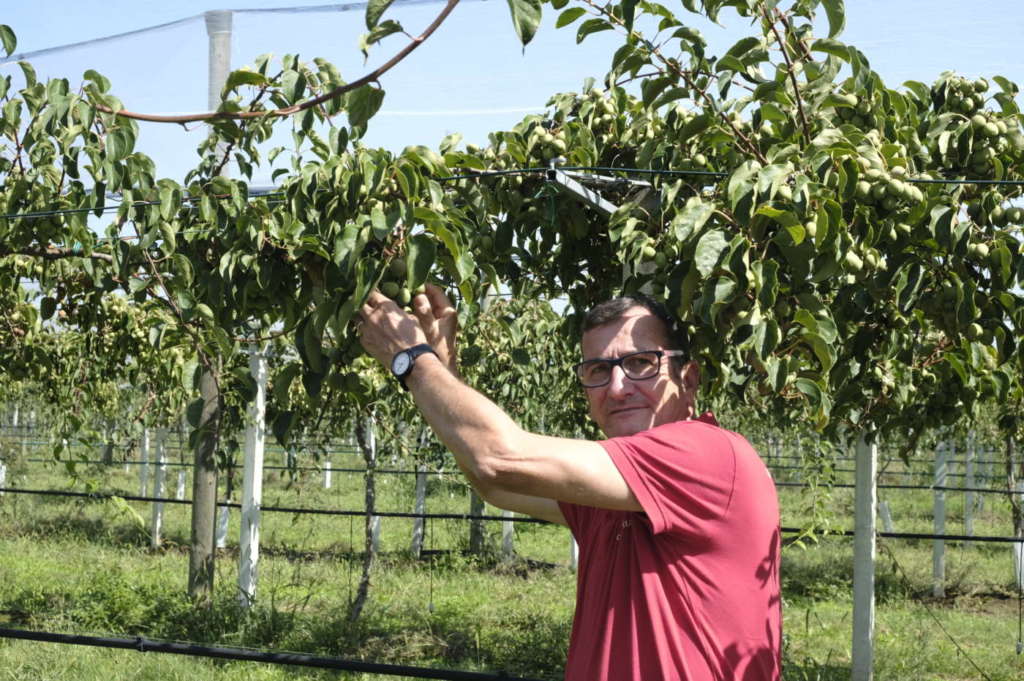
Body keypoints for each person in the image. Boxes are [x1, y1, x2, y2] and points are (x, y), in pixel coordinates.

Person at [357, 285, 781, 681]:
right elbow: (499, 485)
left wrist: (412, 359)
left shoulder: (707, 455)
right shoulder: (616, 490)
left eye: (640, 363)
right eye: (598, 369)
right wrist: (442, 370)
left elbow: (498, 457)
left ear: (687, 379)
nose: (617, 387)